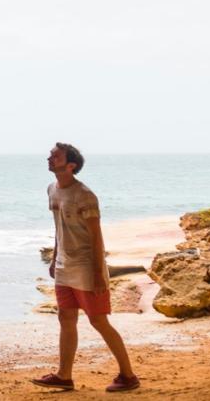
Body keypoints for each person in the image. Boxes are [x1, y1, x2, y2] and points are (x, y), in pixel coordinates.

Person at [32, 143, 140, 393]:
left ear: (71, 165)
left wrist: (98, 274)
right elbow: (59, 227)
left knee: (98, 321)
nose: (49, 158)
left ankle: (128, 375)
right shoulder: (52, 190)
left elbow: (96, 236)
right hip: (63, 266)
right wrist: (55, 257)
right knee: (66, 317)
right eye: (51, 155)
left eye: (55, 156)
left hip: (85, 267)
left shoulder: (85, 195)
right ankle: (64, 376)